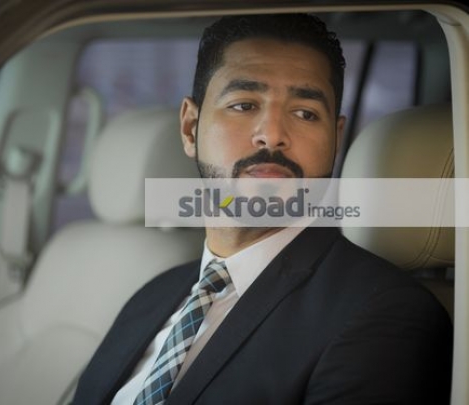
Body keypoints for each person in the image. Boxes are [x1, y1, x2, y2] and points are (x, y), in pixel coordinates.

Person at [73, 13, 453, 404]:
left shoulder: (385, 314)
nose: (272, 135)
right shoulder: (154, 295)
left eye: (305, 113)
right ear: (190, 128)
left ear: (335, 139)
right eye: (243, 105)